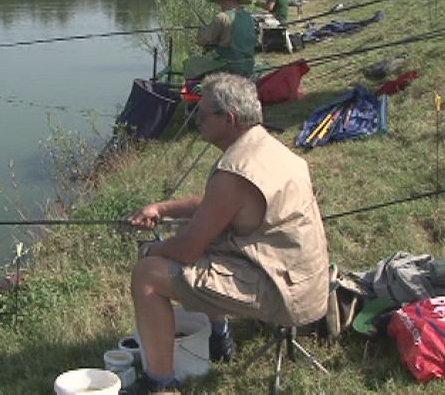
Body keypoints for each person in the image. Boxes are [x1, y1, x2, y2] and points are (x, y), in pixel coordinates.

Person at [126, 73, 330, 394]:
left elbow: (189, 249)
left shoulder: (234, 172)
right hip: (309, 282)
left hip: (284, 295)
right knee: (214, 238)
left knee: (148, 274)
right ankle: (218, 335)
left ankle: (160, 384)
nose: (196, 120)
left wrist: (152, 251)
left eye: (203, 114)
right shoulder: (269, 148)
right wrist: (163, 209)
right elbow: (214, 206)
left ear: (229, 119)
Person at [182, 0, 257, 80]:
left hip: (229, 64)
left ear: (225, 0)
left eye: (221, 1)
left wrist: (201, 31)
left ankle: (195, 90)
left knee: (190, 63)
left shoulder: (222, 17)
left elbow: (202, 41)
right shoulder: (249, 17)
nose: (220, 4)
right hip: (248, 64)